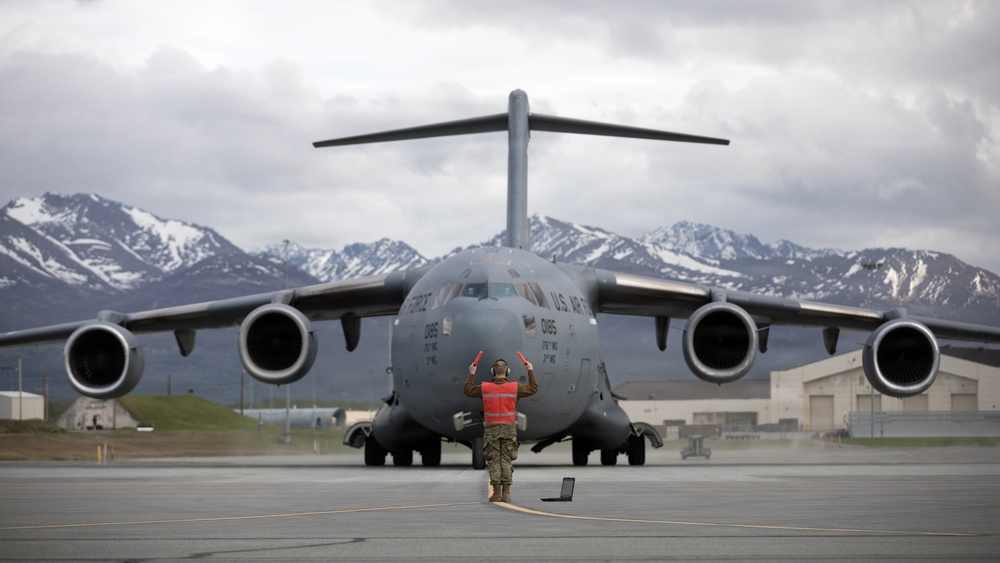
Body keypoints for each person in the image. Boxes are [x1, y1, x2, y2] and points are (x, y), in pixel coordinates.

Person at [463, 356, 538, 502]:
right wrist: (530, 370)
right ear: (508, 371)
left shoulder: (484, 388)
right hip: (509, 429)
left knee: (494, 460)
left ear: (492, 371)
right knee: (506, 460)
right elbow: (533, 388)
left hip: (491, 429)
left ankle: (496, 493)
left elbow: (467, 390)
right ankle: (506, 494)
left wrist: (472, 372)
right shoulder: (515, 388)